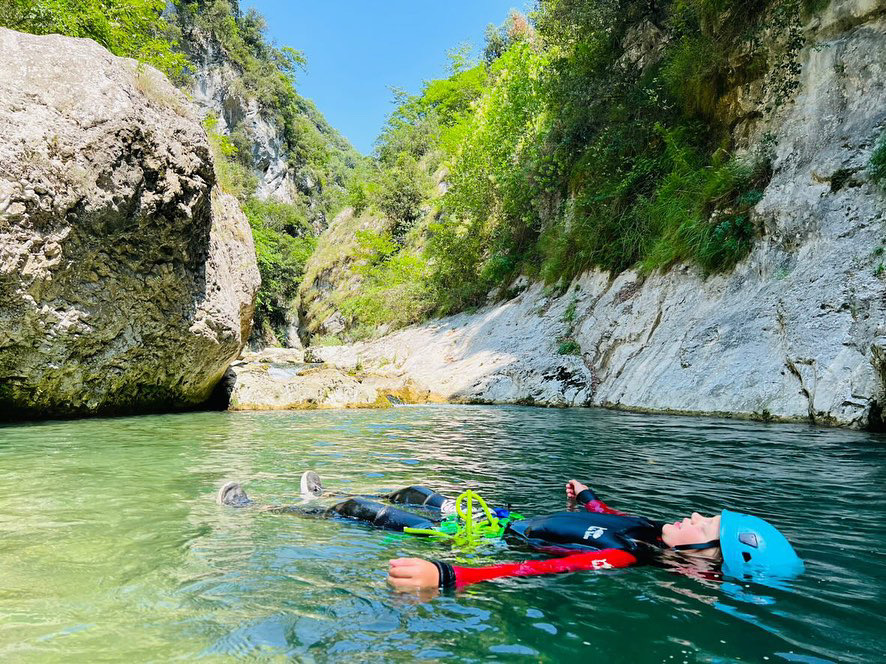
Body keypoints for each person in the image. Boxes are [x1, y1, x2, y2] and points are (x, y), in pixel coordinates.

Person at [216, 475, 804, 591]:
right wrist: (587, 498)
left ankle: (260, 511)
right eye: (707, 515)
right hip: (493, 516)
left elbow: (536, 568)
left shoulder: (625, 562)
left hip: (485, 543)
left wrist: (447, 575)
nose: (695, 518)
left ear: (706, 563)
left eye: (707, 528)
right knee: (414, 492)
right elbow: (608, 517)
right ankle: (315, 500)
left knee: (371, 513)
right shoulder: (648, 531)